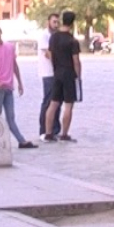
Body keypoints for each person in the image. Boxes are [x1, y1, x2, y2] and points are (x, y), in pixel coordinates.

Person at [0, 25, 37, 148]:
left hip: (9, 87)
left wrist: (20, 83)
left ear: (1, 32)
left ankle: (21, 141)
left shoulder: (10, 48)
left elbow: (14, 65)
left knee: (10, 116)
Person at [42, 11, 82, 143]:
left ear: (63, 20)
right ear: (72, 23)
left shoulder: (54, 37)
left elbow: (50, 54)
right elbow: (76, 60)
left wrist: (55, 67)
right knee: (68, 105)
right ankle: (64, 134)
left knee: (53, 103)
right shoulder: (72, 41)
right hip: (69, 73)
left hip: (57, 73)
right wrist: (78, 76)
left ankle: (48, 133)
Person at [36, 13, 62, 138]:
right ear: (48, 22)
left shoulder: (57, 36)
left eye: (57, 22)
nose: (56, 24)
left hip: (57, 73)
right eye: (54, 22)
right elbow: (48, 54)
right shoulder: (44, 36)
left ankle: (55, 128)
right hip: (48, 73)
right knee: (48, 101)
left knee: (57, 102)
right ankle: (43, 129)